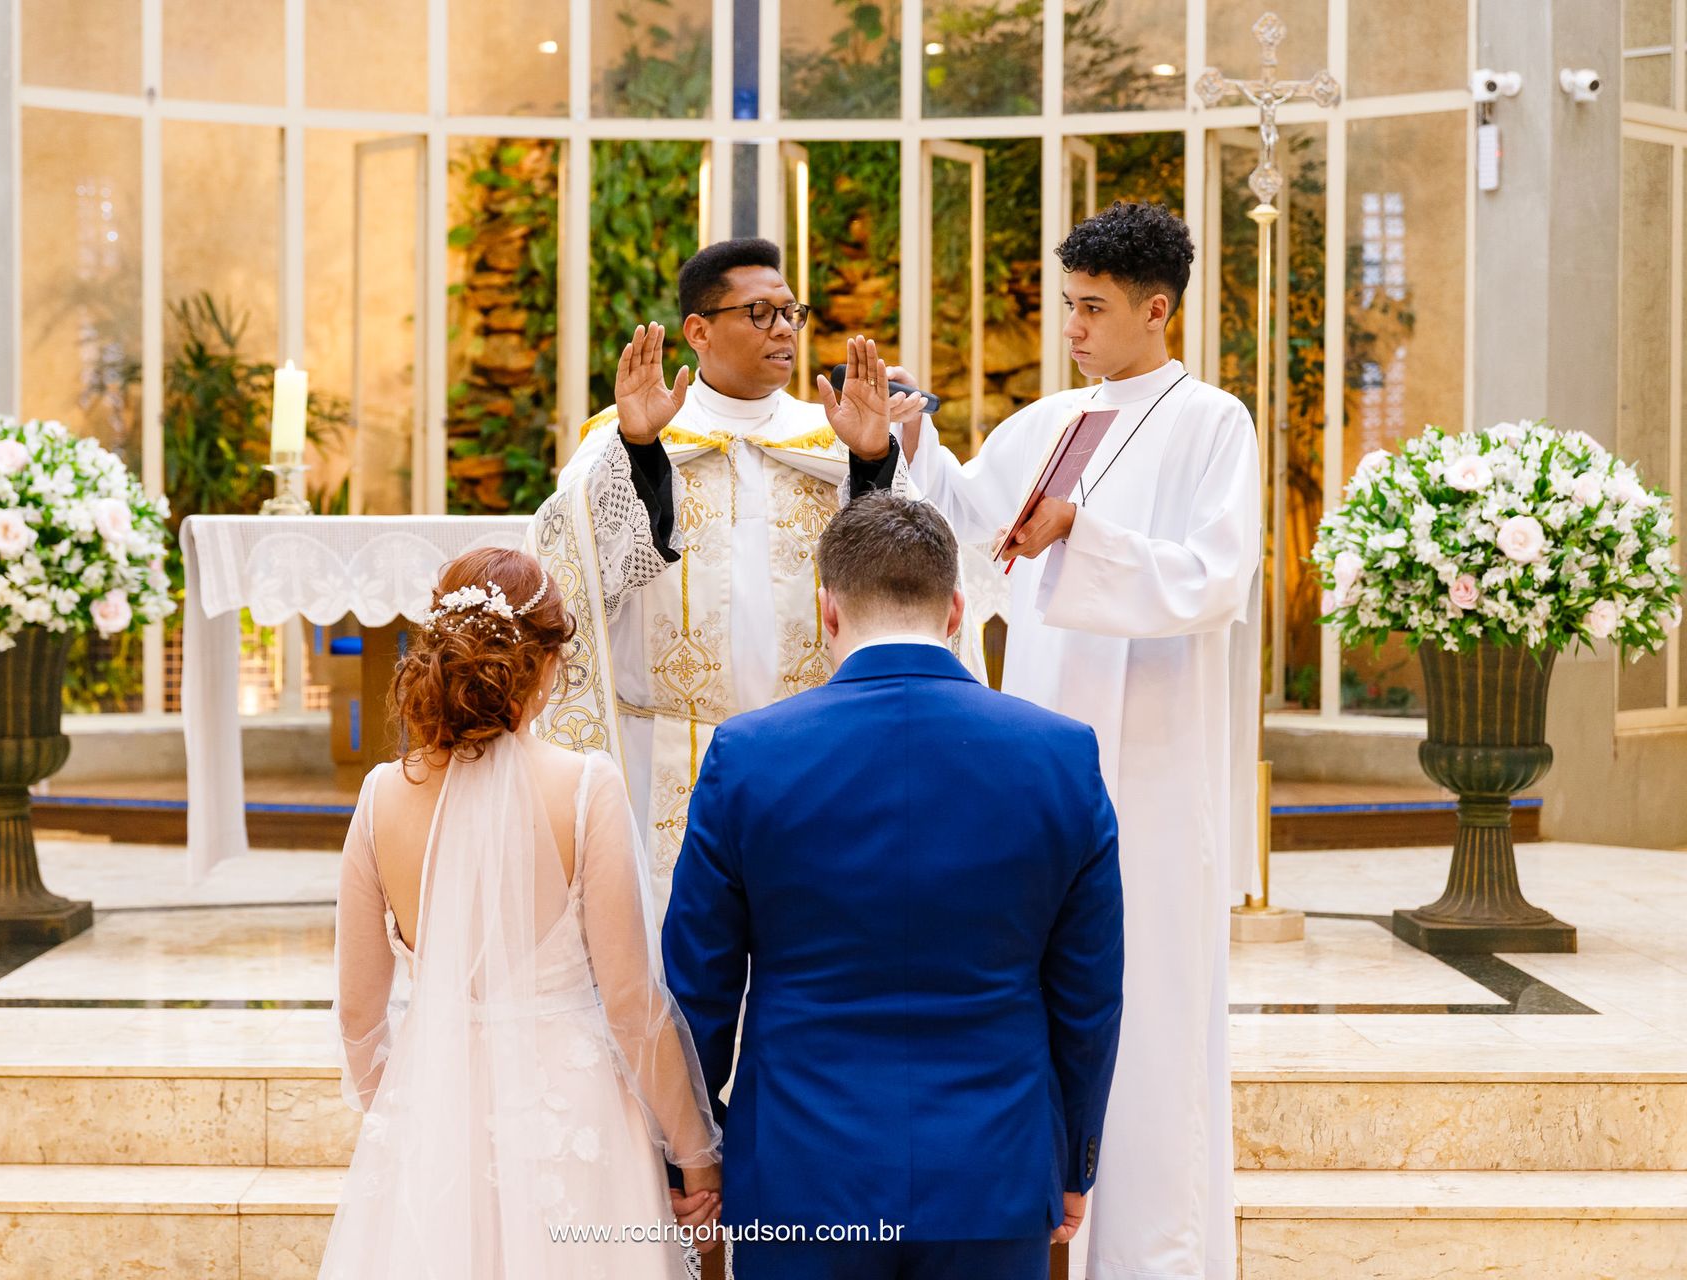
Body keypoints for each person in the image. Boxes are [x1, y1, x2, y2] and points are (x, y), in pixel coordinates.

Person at [895, 200, 1262, 1280]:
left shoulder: (1213, 422)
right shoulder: (1051, 420)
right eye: (1067, 306)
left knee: (1144, 998)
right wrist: (913, 441)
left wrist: (1085, 537)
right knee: (1047, 979)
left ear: (1160, 308)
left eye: (1093, 308)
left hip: (1151, 757)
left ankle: (1154, 1251)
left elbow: (1213, 578)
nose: (1073, 328)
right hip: (1048, 743)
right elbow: (970, 531)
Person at [662, 493, 1126, 1280]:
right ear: (956, 608)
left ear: (827, 610)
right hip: (996, 1167)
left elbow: (698, 988)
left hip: (802, 1173)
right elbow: (1088, 996)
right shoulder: (1059, 756)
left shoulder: (748, 756)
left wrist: (690, 1158)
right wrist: (1072, 1158)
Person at [320, 548, 722, 1279]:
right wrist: (697, 1156)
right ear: (542, 666)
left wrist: (418, 1105)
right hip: (575, 1124)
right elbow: (633, 1007)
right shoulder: (583, 789)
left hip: (433, 1129)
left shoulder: (380, 798)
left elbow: (359, 1018)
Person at [528, 237, 952, 914]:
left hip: (815, 745)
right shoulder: (631, 434)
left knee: (808, 931)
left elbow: (901, 576)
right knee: (675, 950)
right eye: (760, 313)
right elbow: (586, 575)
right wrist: (640, 452)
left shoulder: (837, 435)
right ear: (698, 329)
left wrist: (873, 459)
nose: (784, 328)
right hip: (670, 751)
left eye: (792, 313)